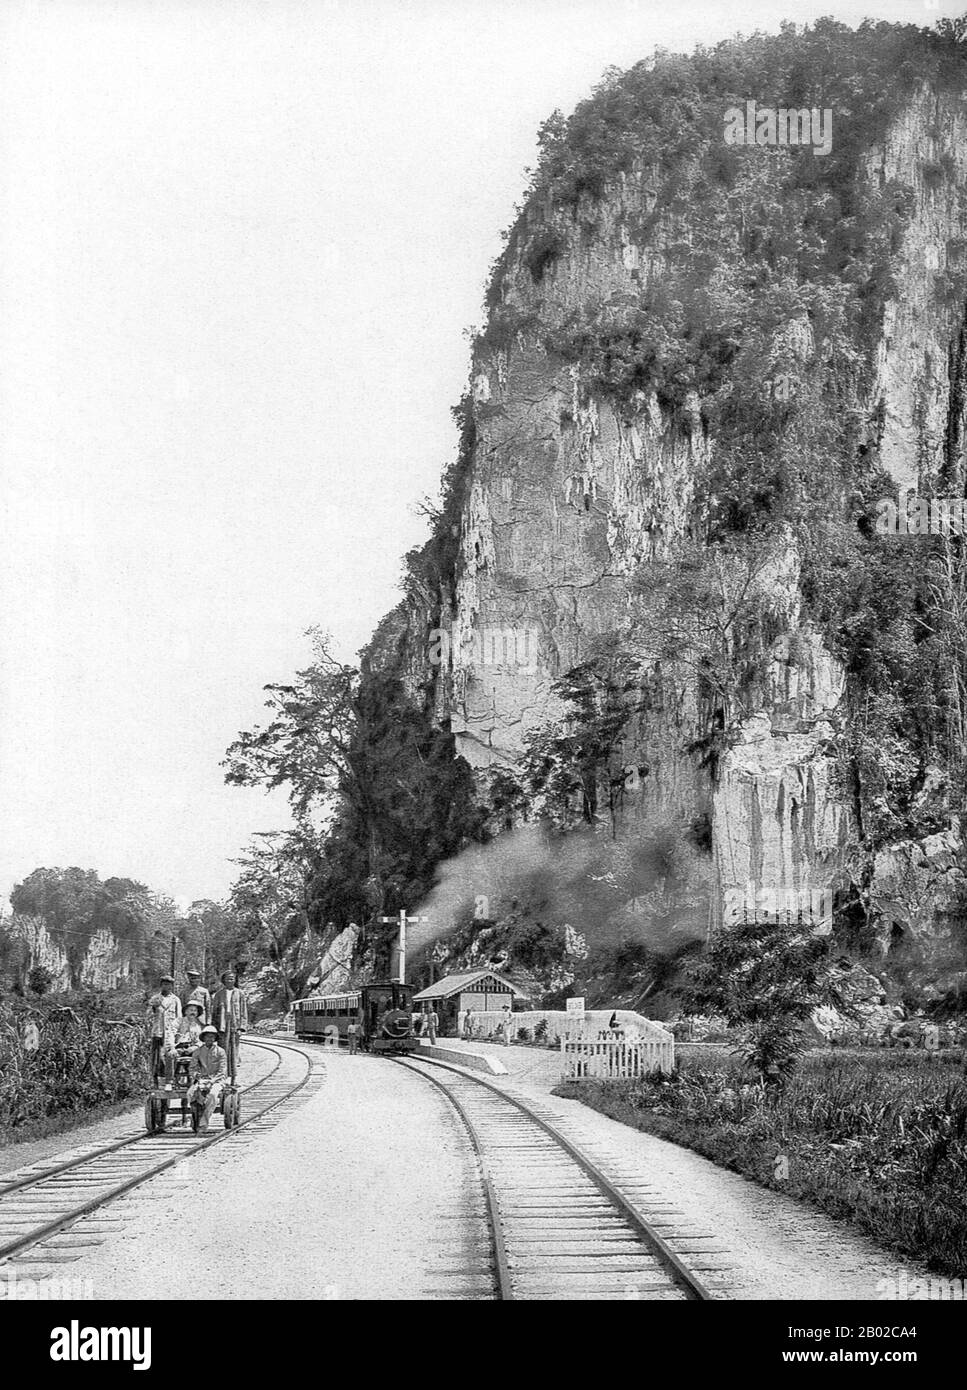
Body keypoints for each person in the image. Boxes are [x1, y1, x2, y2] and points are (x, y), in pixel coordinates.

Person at [187, 1025, 228, 1133]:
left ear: (215, 1038)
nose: (209, 1039)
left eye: (212, 1037)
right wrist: (197, 1076)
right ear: (203, 1038)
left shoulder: (221, 1052)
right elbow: (192, 1068)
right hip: (201, 1079)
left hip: (217, 1080)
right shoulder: (198, 1051)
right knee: (190, 1094)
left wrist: (213, 1080)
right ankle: (195, 1116)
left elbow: (222, 1070)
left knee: (212, 1095)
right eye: (207, 1036)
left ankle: (204, 1121)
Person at [211, 969, 248, 1083]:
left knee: (234, 1052)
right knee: (223, 1051)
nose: (230, 980)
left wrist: (242, 1027)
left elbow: (243, 1011)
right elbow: (214, 1012)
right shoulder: (218, 994)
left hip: (234, 1024)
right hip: (222, 1025)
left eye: (232, 978)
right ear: (224, 980)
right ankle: (222, 1076)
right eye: (228, 978)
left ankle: (233, 1078)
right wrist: (214, 1028)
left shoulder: (240, 993)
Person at [148, 976, 182, 1089]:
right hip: (157, 1032)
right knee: (156, 1059)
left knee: (170, 1056)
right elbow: (148, 1014)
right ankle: (155, 1080)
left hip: (170, 1033)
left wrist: (175, 1031)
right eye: (164, 984)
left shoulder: (175, 999)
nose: (166, 986)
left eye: (169, 984)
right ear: (161, 985)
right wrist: (153, 1007)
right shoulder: (155, 998)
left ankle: (171, 1080)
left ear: (172, 986)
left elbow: (179, 1017)